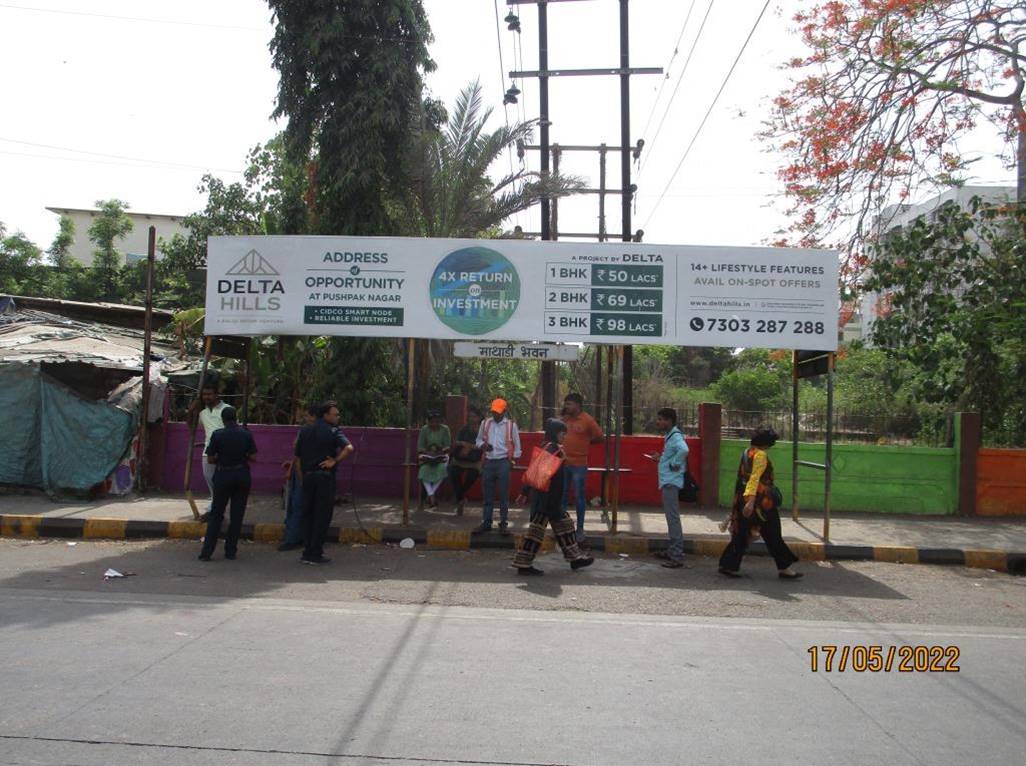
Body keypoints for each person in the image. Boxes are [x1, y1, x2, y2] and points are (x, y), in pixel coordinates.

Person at [719, 427, 803, 580]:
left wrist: (742, 502)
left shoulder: (747, 452)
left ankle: (728, 565)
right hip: (761, 504)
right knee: (773, 534)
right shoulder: (761, 455)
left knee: (742, 533)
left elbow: (743, 479)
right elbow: (754, 478)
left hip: (744, 499)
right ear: (767, 443)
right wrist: (751, 502)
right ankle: (784, 567)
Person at [512, 418, 594, 575]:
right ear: (555, 434)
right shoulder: (551, 449)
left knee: (566, 527)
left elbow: (534, 472)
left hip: (550, 499)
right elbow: (536, 473)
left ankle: (575, 558)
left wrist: (524, 493)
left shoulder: (550, 448)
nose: (565, 437)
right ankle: (523, 564)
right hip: (546, 500)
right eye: (563, 434)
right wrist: (524, 492)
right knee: (535, 534)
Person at [294, 401, 354, 565]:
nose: (338, 417)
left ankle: (307, 551)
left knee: (307, 515)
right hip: (324, 478)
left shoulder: (304, 431)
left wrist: (302, 479)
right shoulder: (333, 431)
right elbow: (349, 448)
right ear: (326, 415)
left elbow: (297, 459)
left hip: (307, 477)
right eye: (335, 414)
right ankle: (315, 552)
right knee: (322, 516)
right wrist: (335, 461)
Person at [198, 406, 256, 561]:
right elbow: (254, 456)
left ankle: (207, 552)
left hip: (223, 475)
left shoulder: (218, 435)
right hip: (242, 475)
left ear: (223, 420)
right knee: (237, 516)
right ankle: (231, 551)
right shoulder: (246, 434)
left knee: (216, 514)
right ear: (236, 418)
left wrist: (221, 458)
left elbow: (210, 459)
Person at [645, 408, 689, 569]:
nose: (659, 422)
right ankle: (672, 550)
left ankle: (676, 555)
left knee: (673, 518)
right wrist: (661, 458)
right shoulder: (670, 437)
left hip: (671, 482)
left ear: (670, 420)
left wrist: (674, 463)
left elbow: (684, 450)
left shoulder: (675, 436)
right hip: (668, 481)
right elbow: (673, 453)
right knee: (672, 518)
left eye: (661, 419)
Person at [473, 398, 522, 536]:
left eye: (499, 412)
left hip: (503, 462)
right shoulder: (486, 423)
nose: (496, 415)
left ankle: (503, 524)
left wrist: (512, 462)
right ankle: (487, 523)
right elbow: (478, 440)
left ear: (505, 411)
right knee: (487, 495)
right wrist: (483, 445)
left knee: (503, 495)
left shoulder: (511, 426)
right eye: (494, 412)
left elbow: (518, 446)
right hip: (488, 461)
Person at [560, 392, 604, 543]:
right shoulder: (564, 418)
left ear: (578, 405)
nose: (566, 406)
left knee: (579, 497)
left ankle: (579, 529)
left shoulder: (587, 420)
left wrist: (587, 443)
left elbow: (600, 437)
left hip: (579, 465)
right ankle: (562, 529)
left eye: (569, 404)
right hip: (562, 463)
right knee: (562, 496)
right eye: (566, 404)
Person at [278, 404, 318, 553]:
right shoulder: (309, 431)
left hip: (303, 473)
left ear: (314, 416)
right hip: (302, 472)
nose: (306, 418)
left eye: (308, 415)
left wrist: (294, 471)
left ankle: (293, 538)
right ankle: (296, 536)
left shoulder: (308, 432)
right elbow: (298, 454)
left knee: (297, 505)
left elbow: (298, 453)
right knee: (297, 505)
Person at [192, 383, 228, 517]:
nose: (206, 397)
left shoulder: (227, 409)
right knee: (210, 478)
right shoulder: (203, 412)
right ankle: (215, 504)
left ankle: (216, 507)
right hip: (208, 450)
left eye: (209, 394)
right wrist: (192, 408)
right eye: (204, 394)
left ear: (216, 394)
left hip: (224, 450)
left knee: (220, 480)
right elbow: (193, 426)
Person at [448, 405, 484, 516]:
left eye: (474, 416)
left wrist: (469, 447)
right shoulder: (464, 429)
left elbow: (483, 445)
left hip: (474, 460)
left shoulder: (483, 430)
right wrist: (464, 445)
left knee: (473, 475)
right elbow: (456, 442)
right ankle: (461, 499)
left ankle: (460, 496)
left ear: (479, 418)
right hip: (461, 459)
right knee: (452, 471)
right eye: (470, 416)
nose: (471, 419)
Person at [418, 409, 451, 508]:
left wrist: (440, 451)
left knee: (442, 469)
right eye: (431, 422)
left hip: (441, 455)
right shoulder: (424, 429)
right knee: (423, 471)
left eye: (437, 421)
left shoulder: (445, 429)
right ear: (428, 422)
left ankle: (430, 495)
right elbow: (420, 446)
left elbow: (448, 445)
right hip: (427, 455)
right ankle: (431, 496)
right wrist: (427, 452)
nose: (434, 424)